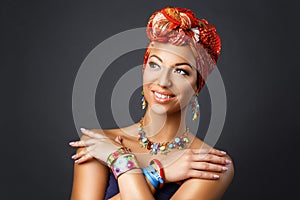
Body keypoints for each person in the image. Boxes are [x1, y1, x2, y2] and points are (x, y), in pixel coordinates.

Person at [69, 6, 234, 200]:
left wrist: (122, 162)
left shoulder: (208, 162)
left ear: (197, 86)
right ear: (144, 71)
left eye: (181, 71)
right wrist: (157, 172)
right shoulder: (100, 144)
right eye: (155, 65)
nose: (163, 81)